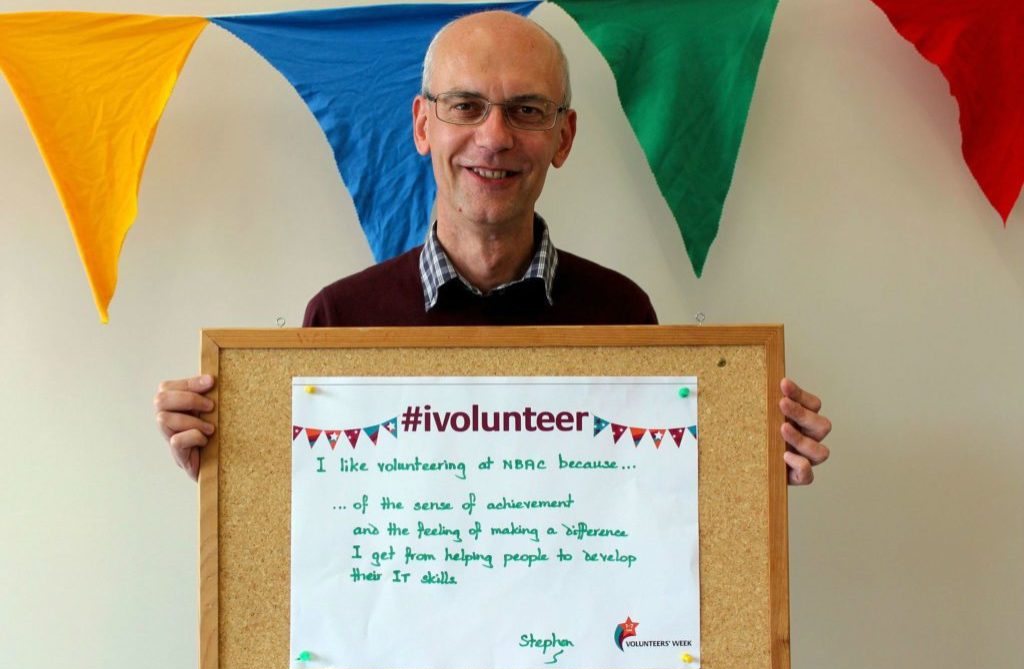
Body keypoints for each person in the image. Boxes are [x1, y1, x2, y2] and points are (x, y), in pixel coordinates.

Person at [155, 11, 830, 484]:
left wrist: (752, 467)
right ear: (424, 126)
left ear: (563, 139)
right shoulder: (338, 318)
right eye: (466, 106)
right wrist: (227, 471)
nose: (495, 136)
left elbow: (649, 500)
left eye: (527, 110)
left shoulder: (621, 313)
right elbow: (312, 526)